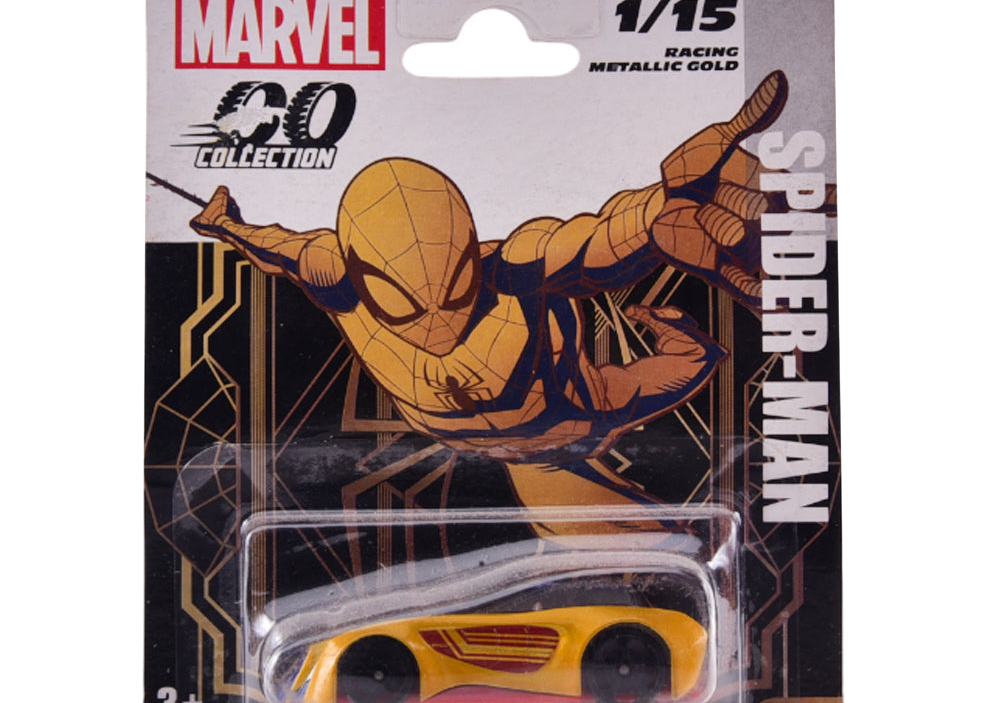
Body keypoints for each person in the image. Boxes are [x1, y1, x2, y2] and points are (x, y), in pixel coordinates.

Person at [191, 72, 788, 533]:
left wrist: (665, 206)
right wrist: (225, 224)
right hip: (524, 462)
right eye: (405, 306)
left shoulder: (516, 268)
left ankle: (683, 338)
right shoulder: (333, 274)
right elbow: (275, 247)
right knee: (631, 553)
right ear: (362, 277)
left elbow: (598, 238)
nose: (437, 323)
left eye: (455, 291)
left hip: (583, 415)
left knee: (687, 364)